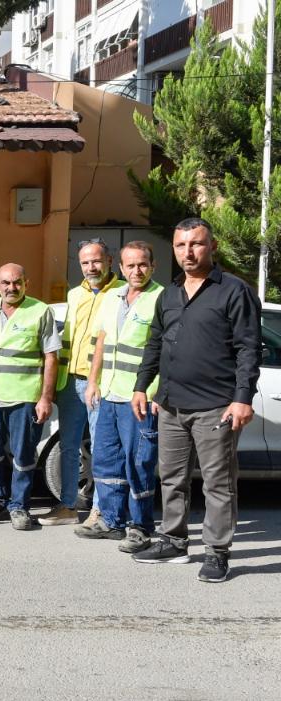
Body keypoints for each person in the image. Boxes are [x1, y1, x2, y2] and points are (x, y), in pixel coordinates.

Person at [131, 218, 261, 582]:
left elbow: (248, 349)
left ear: (212, 246)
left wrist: (242, 398)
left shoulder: (234, 291)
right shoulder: (168, 295)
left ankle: (218, 552)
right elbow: (154, 343)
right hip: (170, 405)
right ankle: (173, 540)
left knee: (218, 483)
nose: (188, 252)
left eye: (196, 244)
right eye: (180, 245)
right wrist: (142, 386)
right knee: (171, 478)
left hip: (215, 406)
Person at [79, 241, 163, 553]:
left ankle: (139, 527)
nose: (136, 270)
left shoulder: (162, 298)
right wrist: (92, 381)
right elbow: (101, 340)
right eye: (130, 265)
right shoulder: (112, 296)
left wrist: (155, 392)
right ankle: (111, 520)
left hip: (139, 398)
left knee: (139, 462)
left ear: (152, 266)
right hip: (110, 393)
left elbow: (167, 351)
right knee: (106, 459)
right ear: (121, 268)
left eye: (142, 264)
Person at [0, 263, 59, 531]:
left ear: (26, 284)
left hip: (25, 396)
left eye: (17, 282)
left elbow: (51, 357)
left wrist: (45, 397)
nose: (11, 288)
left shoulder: (40, 311)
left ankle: (19, 506)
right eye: (5, 283)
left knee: (23, 455)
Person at [46, 239, 124, 526]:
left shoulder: (122, 293)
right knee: (69, 446)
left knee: (103, 448)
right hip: (70, 382)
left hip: (100, 383)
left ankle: (100, 509)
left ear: (109, 262)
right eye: (85, 262)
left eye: (96, 261)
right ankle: (67, 506)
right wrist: (55, 383)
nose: (91, 267)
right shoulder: (75, 294)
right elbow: (67, 338)